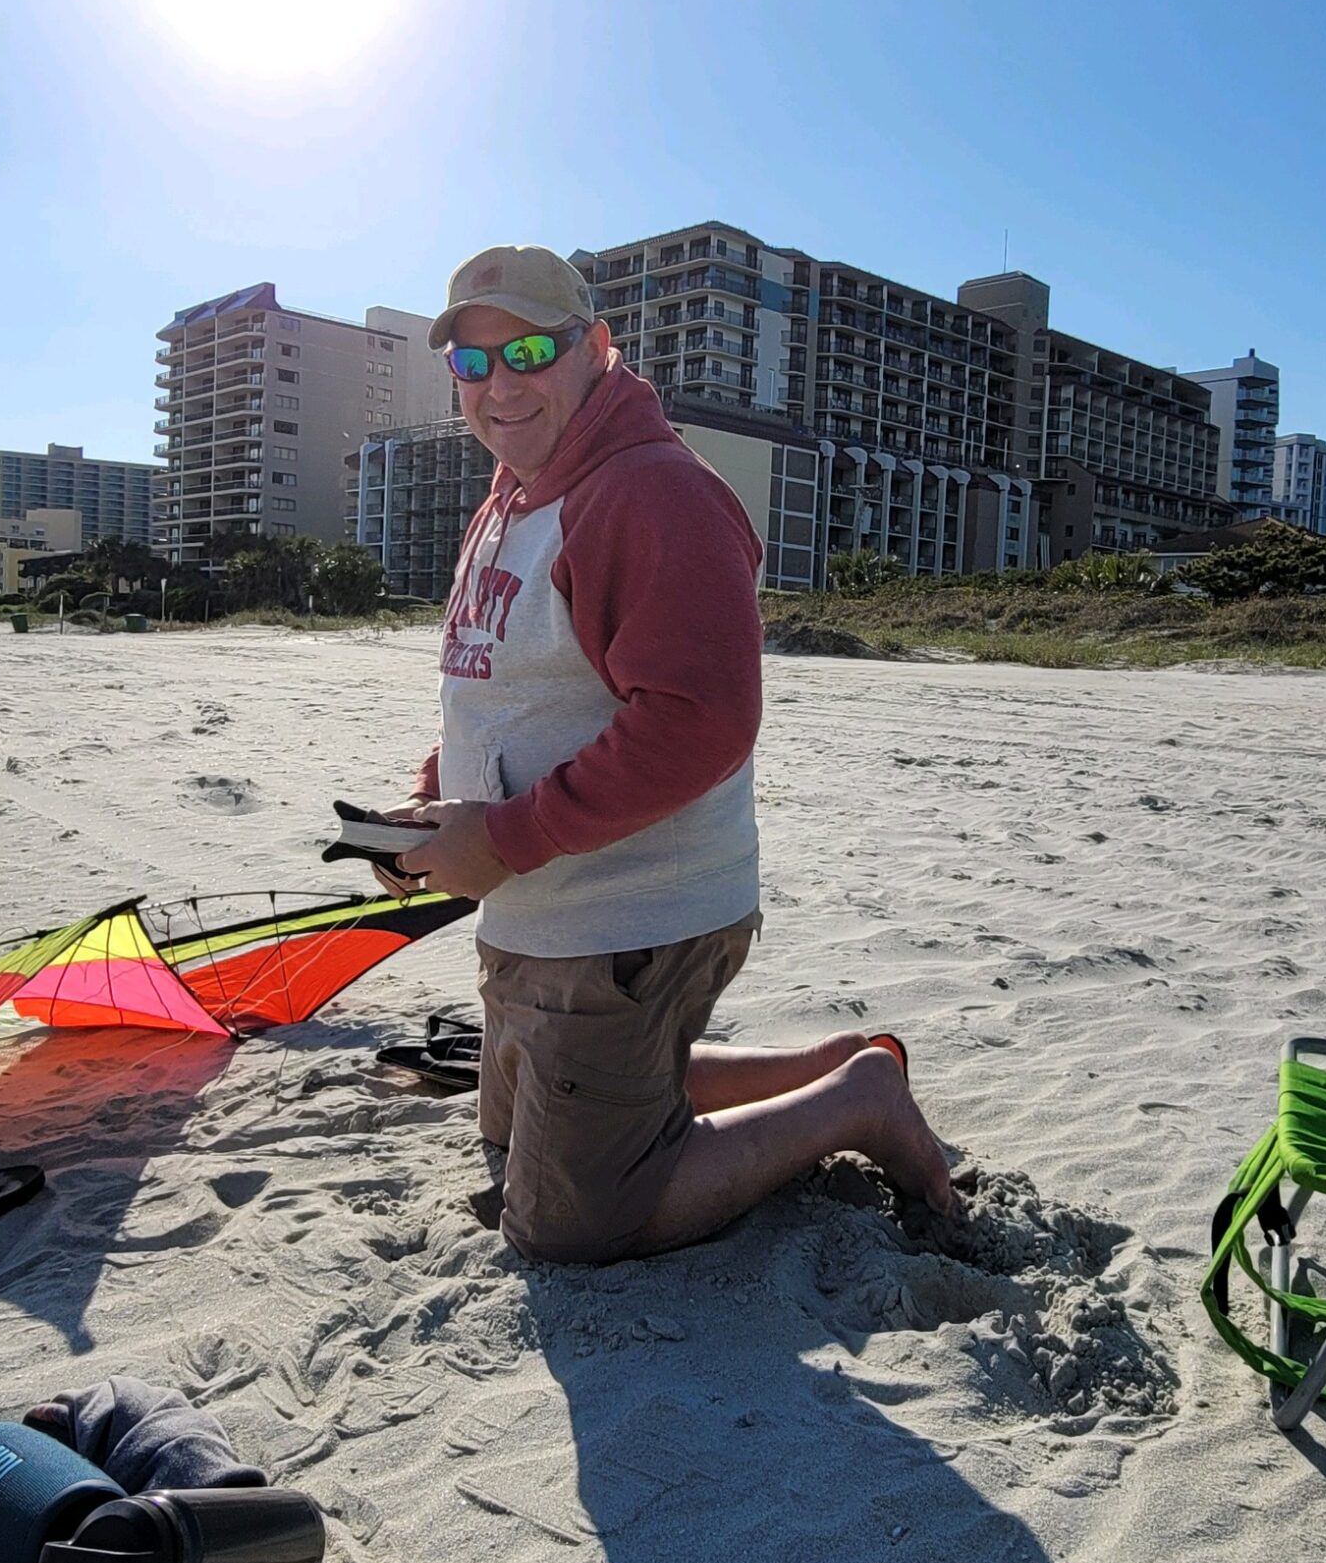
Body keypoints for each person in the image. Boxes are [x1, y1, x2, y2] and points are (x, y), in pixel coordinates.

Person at [381, 243, 953, 1264]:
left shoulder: (649, 493)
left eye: (530, 351)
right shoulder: (514, 492)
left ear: (597, 349)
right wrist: (433, 804)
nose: (499, 385)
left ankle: (857, 1105)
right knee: (513, 1146)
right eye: (472, 364)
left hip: (628, 917)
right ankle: (835, 1063)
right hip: (534, 905)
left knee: (574, 1219)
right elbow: (499, 685)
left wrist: (505, 836)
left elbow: (701, 722)